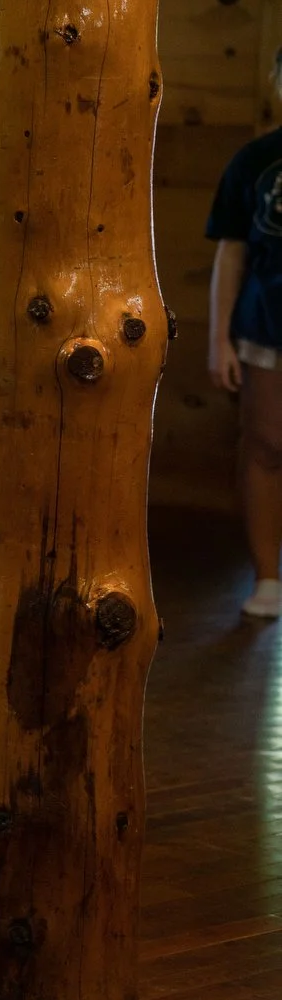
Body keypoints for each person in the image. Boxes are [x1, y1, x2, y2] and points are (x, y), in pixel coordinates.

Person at [207, 45, 282, 619]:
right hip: (266, 329)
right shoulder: (253, 162)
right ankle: (267, 577)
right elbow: (231, 254)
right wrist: (219, 338)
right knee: (265, 446)